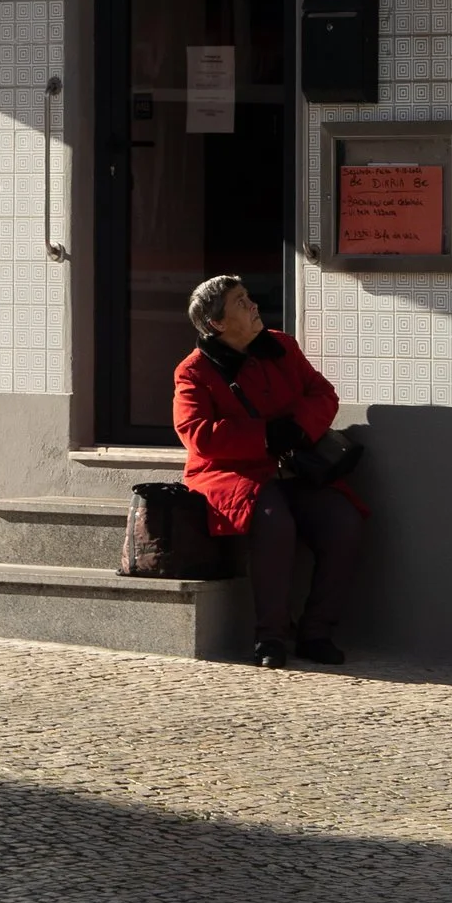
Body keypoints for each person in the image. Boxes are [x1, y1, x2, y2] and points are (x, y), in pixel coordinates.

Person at [174, 274, 364, 669]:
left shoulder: (281, 346)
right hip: (234, 473)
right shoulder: (193, 372)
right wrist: (264, 436)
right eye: (241, 302)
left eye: (248, 297)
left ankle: (316, 632)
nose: (253, 305)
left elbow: (322, 393)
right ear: (217, 324)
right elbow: (198, 435)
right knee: (274, 523)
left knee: (343, 522)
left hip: (295, 466)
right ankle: (270, 637)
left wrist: (297, 427)